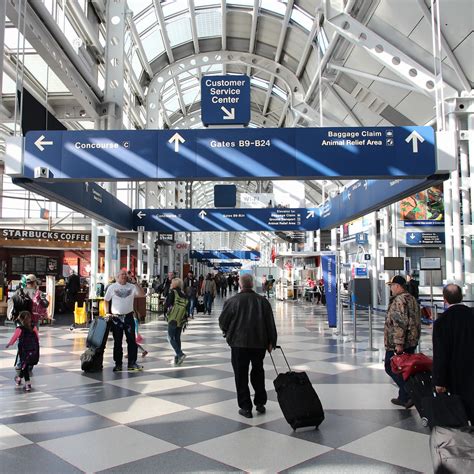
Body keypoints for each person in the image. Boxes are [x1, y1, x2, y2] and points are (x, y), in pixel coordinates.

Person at [219, 274, 278, 418]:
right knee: (258, 371)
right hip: (259, 343)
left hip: (238, 344)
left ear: (240, 285)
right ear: (252, 284)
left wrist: (227, 333)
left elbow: (223, 322)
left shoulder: (232, 301)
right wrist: (272, 342)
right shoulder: (262, 301)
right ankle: (260, 402)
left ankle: (245, 407)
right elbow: (270, 323)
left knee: (241, 375)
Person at [432, 284, 474, 422]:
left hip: (456, 373)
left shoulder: (441, 322)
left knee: (462, 407)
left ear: (445, 300)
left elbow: (441, 354)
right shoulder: (471, 314)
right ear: (462, 297)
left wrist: (439, 380)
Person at [384, 275, 421, 408]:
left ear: (398, 286)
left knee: (390, 367)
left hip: (399, 343)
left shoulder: (399, 300)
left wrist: (398, 344)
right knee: (405, 370)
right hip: (411, 340)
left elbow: (400, 323)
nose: (391, 288)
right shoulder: (411, 298)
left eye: (392, 286)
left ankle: (409, 392)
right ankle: (404, 397)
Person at [105, 270, 145, 372]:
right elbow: (106, 299)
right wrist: (107, 312)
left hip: (128, 316)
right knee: (117, 341)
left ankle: (132, 363)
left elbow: (142, 294)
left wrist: (135, 283)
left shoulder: (131, 287)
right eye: (122, 275)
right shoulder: (112, 287)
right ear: (117, 277)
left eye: (125, 275)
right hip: (116, 318)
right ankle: (118, 364)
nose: (124, 276)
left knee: (131, 341)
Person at [6, 310, 40, 392]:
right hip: (34, 350)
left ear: (21, 319)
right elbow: (37, 338)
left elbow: (14, 338)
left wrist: (9, 344)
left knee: (24, 366)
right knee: (25, 365)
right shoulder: (34, 327)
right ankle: (18, 379)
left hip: (24, 351)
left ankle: (28, 384)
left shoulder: (19, 329)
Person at [164, 278, 189, 365]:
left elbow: (168, 303)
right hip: (182, 318)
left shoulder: (172, 292)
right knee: (177, 337)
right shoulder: (183, 293)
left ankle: (180, 354)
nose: (171, 284)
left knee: (170, 337)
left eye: (172, 283)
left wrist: (165, 311)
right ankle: (178, 358)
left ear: (175, 284)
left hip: (174, 317)